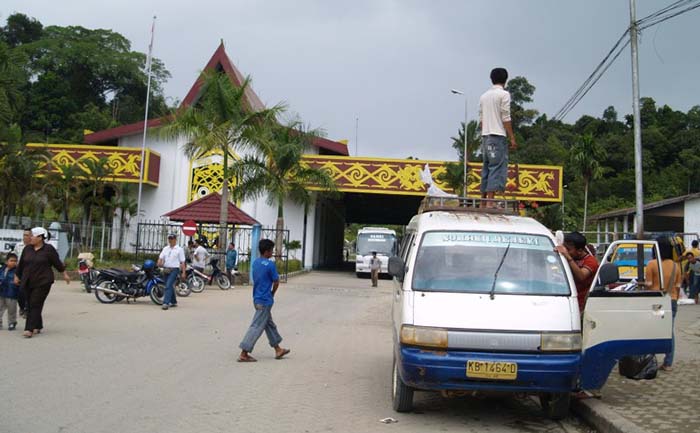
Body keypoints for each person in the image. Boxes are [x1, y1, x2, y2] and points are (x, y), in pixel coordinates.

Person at [238, 239, 290, 362]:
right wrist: (272, 293)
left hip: (256, 298)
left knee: (269, 324)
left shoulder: (255, 262)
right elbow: (276, 282)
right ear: (267, 251)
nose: (272, 252)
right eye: (271, 250)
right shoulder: (270, 265)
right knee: (256, 326)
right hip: (265, 300)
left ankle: (278, 349)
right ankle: (244, 352)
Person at [14, 227, 70, 338]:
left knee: (34, 303)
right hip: (28, 281)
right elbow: (21, 264)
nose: (30, 238)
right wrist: (17, 275)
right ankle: (38, 325)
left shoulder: (48, 249)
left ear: (40, 237)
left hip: (43, 281)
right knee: (31, 303)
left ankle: (29, 329)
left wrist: (64, 273)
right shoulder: (27, 249)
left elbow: (57, 263)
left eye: (32, 235)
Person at [479, 67, 518, 207]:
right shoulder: (504, 95)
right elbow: (506, 117)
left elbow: (481, 120)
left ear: (491, 79)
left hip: (485, 136)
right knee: (497, 167)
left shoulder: (484, 96)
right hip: (497, 135)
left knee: (486, 167)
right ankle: (490, 202)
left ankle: (483, 201)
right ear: (505, 80)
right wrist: (512, 137)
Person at [645, 237, 682, 371]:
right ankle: (668, 363)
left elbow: (649, 285)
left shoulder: (652, 264)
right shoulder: (675, 265)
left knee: (654, 330)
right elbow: (678, 286)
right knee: (669, 331)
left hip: (657, 303)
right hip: (671, 301)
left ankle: (650, 360)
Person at [555, 231, 600, 312]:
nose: (565, 251)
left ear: (579, 251)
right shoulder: (565, 257)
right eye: (564, 248)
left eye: (568, 249)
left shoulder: (591, 261)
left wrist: (568, 258)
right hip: (564, 300)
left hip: (580, 304)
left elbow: (581, 276)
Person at [157, 234, 186, 311]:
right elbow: (160, 257)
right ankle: (173, 301)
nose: (170, 240)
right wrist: (159, 263)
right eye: (169, 238)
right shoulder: (166, 248)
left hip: (174, 270)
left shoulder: (179, 249)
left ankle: (166, 303)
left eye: (172, 238)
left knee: (168, 285)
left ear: (175, 239)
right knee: (168, 285)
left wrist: (183, 272)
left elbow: (182, 262)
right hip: (166, 269)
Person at [14, 228, 32, 317]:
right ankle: (22, 307)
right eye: (24, 235)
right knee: (20, 292)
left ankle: (27, 309)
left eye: (27, 235)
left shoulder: (33, 247)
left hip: (30, 273)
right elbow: (15, 258)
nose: (25, 237)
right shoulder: (18, 245)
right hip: (20, 271)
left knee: (28, 291)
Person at [0, 253, 19, 330]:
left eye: (15, 261)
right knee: (0, 308)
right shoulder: (2, 269)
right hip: (1, 292)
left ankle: (12, 322)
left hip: (12, 293)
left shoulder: (17, 271)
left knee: (12, 310)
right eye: (11, 260)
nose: (13, 262)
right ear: (6, 262)